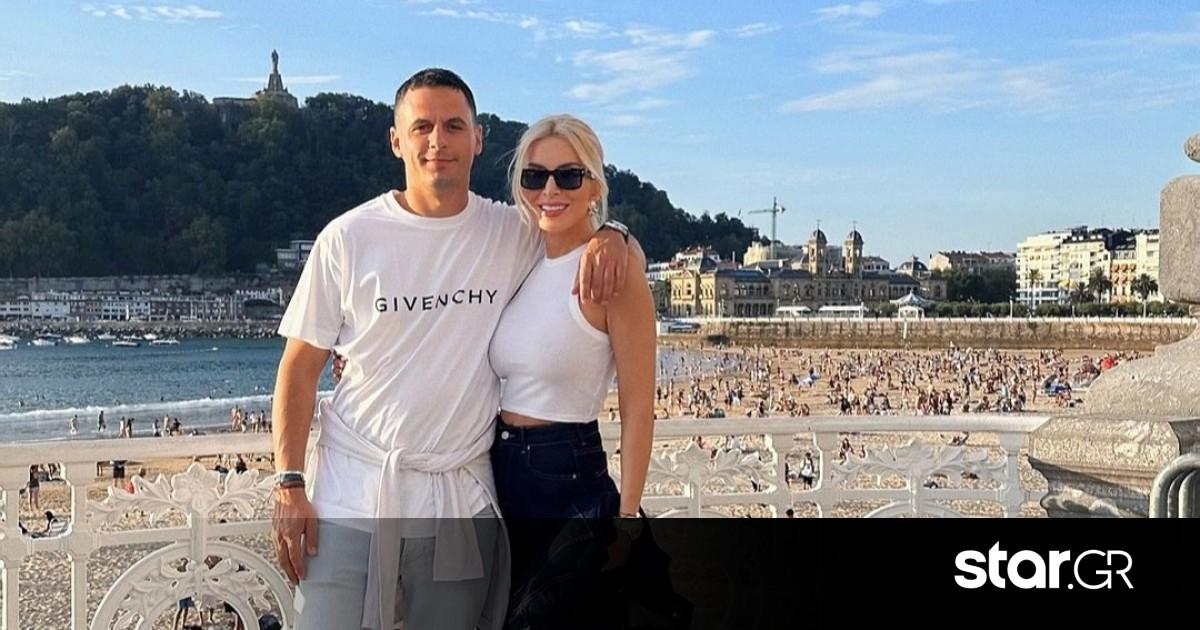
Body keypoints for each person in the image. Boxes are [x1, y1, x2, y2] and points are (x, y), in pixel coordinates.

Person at [271, 68, 633, 630]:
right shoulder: (348, 238)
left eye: (453, 126)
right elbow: (299, 367)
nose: (437, 141)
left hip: (458, 501)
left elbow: (576, 225)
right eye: (422, 127)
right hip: (351, 495)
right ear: (397, 140)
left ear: (478, 138)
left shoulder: (512, 232)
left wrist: (617, 234)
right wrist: (289, 482)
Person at [487, 115, 655, 627]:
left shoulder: (612, 272)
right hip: (500, 472)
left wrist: (628, 520)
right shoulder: (524, 261)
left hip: (568, 473)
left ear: (595, 185)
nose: (550, 190)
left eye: (568, 175)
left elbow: (639, 407)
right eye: (535, 176)